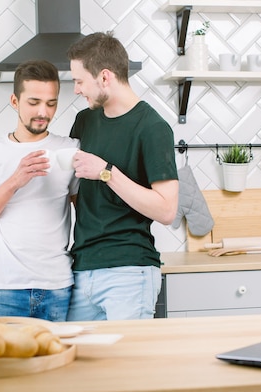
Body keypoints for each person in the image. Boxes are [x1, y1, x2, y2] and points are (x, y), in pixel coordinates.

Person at [66, 32, 179, 321]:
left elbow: (167, 210)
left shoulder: (152, 128)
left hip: (129, 271)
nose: (76, 90)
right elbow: (79, 190)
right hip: (82, 267)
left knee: (126, 365)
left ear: (104, 77)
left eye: (79, 80)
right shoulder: (84, 121)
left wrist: (107, 172)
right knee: (82, 366)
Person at [0, 60, 79, 322]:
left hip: (57, 284)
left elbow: (86, 214)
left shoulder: (69, 148)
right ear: (15, 101)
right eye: (34, 102)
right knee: (5, 364)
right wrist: (15, 180)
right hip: (5, 286)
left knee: (56, 363)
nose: (43, 112)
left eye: (51, 103)